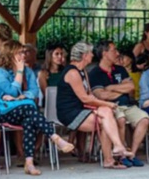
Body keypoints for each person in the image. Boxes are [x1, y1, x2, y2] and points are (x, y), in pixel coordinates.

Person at [0, 40, 74, 175]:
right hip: (2, 111)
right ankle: (55, 137)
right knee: (30, 110)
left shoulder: (28, 71)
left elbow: (34, 92)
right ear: (10, 55)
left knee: (30, 119)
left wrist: (19, 98)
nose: (24, 55)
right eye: (20, 52)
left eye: (23, 52)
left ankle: (29, 163)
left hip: (23, 110)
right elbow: (12, 91)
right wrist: (19, 73)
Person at [56, 41, 133, 169]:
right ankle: (116, 150)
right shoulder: (72, 73)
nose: (92, 55)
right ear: (84, 55)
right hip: (69, 113)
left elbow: (89, 95)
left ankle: (115, 151)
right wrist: (107, 103)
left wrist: (103, 105)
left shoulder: (83, 71)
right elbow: (85, 98)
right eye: (90, 53)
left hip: (82, 109)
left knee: (106, 115)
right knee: (106, 116)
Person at [89, 40, 149, 167]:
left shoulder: (120, 69)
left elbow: (131, 87)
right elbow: (101, 95)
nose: (118, 53)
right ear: (105, 53)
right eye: (114, 50)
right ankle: (121, 155)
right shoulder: (94, 73)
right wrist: (121, 90)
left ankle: (131, 153)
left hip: (127, 105)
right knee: (120, 119)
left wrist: (110, 87)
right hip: (110, 107)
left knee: (144, 119)